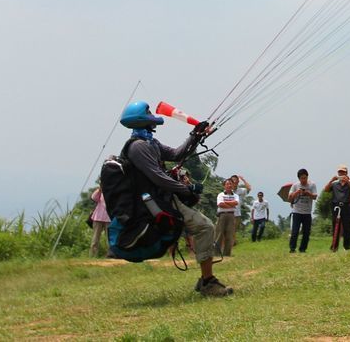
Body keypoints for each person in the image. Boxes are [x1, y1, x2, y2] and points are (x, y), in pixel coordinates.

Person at [117, 101, 230, 297]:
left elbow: (177, 155)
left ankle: (206, 280)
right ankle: (207, 283)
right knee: (205, 227)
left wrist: (195, 135)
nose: (153, 117)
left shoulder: (151, 143)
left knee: (205, 226)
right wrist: (186, 190)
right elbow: (157, 177)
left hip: (164, 198)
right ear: (141, 120)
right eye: (148, 114)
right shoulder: (138, 148)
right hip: (153, 202)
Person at [215, 175, 250, 257]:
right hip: (222, 215)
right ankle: (216, 253)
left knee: (229, 235)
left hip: (232, 215)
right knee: (219, 234)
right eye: (228, 184)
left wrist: (226, 204)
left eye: (231, 183)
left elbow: (236, 203)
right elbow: (220, 204)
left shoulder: (236, 195)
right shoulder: (221, 194)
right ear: (224, 185)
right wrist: (231, 205)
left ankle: (227, 253)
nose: (229, 185)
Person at [326, 166, 350, 251]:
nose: (341, 174)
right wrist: (331, 180)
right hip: (336, 206)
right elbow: (326, 189)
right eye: (340, 172)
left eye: (343, 172)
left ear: (346, 173)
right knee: (336, 227)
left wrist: (348, 181)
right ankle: (334, 246)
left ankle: (347, 246)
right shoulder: (335, 184)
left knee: (347, 228)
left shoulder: (349, 184)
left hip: (346, 206)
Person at [288, 168, 317, 254]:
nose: (304, 180)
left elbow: (315, 197)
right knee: (295, 232)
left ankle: (303, 249)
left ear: (307, 177)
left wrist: (308, 193)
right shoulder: (295, 185)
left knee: (306, 233)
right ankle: (292, 249)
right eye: (302, 178)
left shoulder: (312, 185)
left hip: (307, 212)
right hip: (297, 212)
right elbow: (289, 198)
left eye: (305, 178)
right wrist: (296, 192)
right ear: (299, 178)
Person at [89, 184, 111, 257]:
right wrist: (99, 189)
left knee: (109, 239)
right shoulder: (100, 192)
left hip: (108, 219)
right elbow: (93, 197)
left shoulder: (112, 191)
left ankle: (110, 255)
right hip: (98, 218)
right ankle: (93, 255)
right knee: (95, 238)